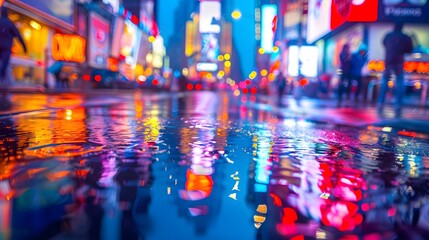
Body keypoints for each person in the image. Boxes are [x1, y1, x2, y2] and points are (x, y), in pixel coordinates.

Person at [377, 22, 413, 115]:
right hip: (399, 61)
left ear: (393, 26)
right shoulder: (405, 37)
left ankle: (380, 102)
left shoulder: (388, 36)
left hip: (388, 60)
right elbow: (410, 50)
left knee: (385, 82)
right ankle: (398, 104)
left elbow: (384, 43)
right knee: (400, 83)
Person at [0, 6, 27, 96]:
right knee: (4, 65)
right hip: (6, 48)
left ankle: (2, 81)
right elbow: (18, 36)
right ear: (7, 13)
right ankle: (2, 81)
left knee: (3, 66)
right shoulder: (10, 24)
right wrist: (24, 47)